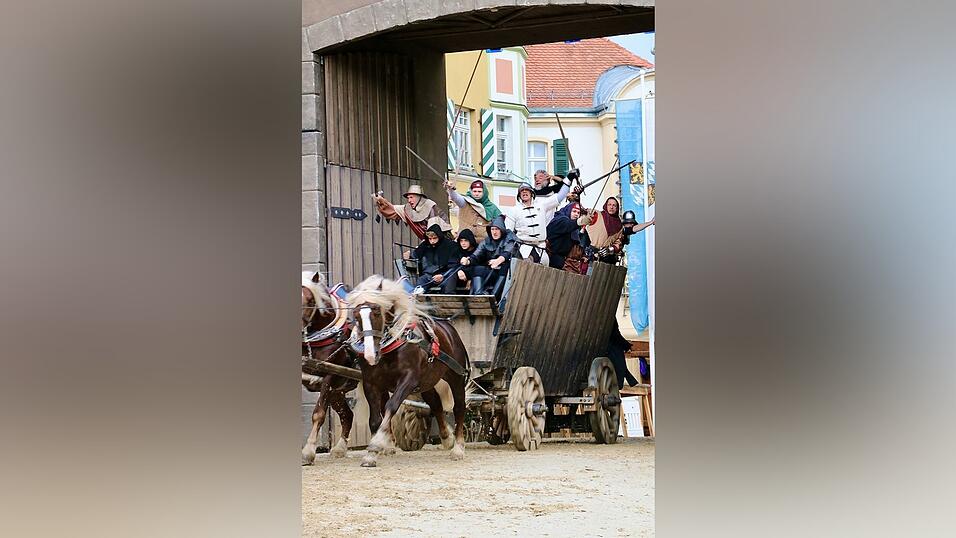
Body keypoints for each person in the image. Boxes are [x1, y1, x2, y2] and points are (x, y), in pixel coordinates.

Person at [502, 180, 571, 266]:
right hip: (523, 250)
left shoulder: (541, 205)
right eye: (522, 191)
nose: (524, 192)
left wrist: (569, 179)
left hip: (541, 248)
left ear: (531, 193)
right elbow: (508, 233)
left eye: (526, 190)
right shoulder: (513, 210)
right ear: (519, 195)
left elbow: (560, 197)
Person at [459, 215, 516, 297]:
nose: (494, 232)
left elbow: (507, 253)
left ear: (502, 230)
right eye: (492, 229)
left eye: (497, 229)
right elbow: (476, 255)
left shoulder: (509, 238)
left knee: (505, 267)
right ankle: (479, 296)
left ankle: (493, 297)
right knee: (478, 269)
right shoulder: (487, 241)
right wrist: (468, 260)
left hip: (508, 274)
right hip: (492, 272)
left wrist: (498, 261)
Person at [405, 217, 457, 293]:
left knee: (448, 286)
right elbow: (416, 254)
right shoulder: (425, 245)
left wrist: (443, 275)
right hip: (428, 276)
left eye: (434, 238)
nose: (432, 241)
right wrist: (409, 254)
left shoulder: (449, 245)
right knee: (420, 285)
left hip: (445, 275)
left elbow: (453, 265)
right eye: (430, 239)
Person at [372, 184, 438, 239]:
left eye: (411, 197)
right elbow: (393, 210)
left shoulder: (430, 206)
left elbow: (436, 229)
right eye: (408, 198)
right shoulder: (407, 209)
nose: (409, 200)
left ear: (419, 197)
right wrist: (380, 200)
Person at [545, 202, 592, 272]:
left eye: (578, 213)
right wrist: (579, 222)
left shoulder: (574, 229)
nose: (576, 214)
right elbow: (567, 224)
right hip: (550, 259)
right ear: (568, 210)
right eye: (574, 211)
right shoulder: (560, 219)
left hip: (562, 263)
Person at [606, 319, 640, 389]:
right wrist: (627, 346)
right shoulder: (610, 318)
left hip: (608, 349)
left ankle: (629, 379)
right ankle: (628, 380)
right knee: (619, 367)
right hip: (612, 349)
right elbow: (615, 335)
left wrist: (627, 345)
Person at [444, 228, 477, 294]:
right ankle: (449, 297)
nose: (463, 243)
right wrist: (458, 271)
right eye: (461, 241)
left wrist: (470, 279)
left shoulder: (477, 250)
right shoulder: (457, 250)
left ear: (471, 241)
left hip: (475, 277)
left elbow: (480, 266)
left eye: (466, 241)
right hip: (459, 278)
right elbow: (451, 264)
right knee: (452, 274)